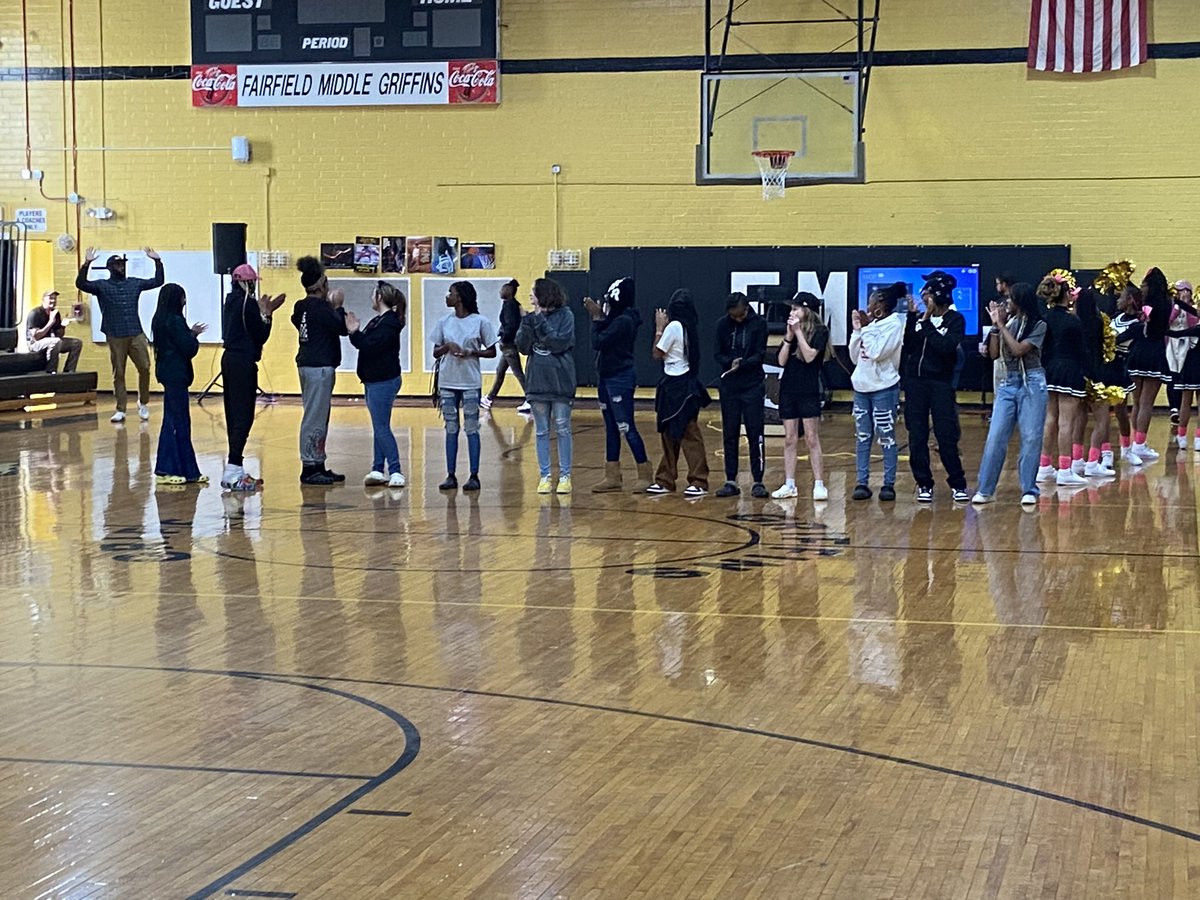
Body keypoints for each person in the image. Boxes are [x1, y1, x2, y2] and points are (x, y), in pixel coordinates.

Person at [972, 283, 1048, 505]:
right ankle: (985, 489)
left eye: (1010, 301)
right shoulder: (1008, 324)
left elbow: (1018, 350)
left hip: (1032, 382)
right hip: (1008, 383)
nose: (1006, 305)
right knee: (995, 437)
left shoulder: (1039, 325)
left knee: (1031, 437)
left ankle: (1029, 490)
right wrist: (995, 327)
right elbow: (995, 355)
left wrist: (1002, 326)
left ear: (1020, 302)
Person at [76, 247, 164, 423]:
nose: (121, 267)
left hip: (135, 332)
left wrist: (157, 261)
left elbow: (158, 281)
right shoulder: (102, 286)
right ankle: (120, 409)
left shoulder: (134, 283)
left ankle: (143, 402)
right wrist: (86, 264)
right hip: (115, 334)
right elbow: (81, 284)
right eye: (117, 265)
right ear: (110, 268)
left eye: (122, 264)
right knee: (119, 373)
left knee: (145, 367)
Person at [902, 271, 969, 503]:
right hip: (915, 383)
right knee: (917, 435)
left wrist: (927, 323)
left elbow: (945, 347)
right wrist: (913, 318)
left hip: (940, 383)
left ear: (938, 296)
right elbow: (909, 346)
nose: (924, 299)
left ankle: (958, 483)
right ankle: (923, 483)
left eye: (927, 295)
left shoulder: (955, 319)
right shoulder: (920, 319)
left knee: (945, 435)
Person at [220, 263, 285, 491]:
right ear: (244, 282)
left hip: (229, 360)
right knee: (244, 415)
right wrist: (268, 314)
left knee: (233, 413)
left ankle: (234, 468)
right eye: (252, 282)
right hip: (242, 363)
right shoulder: (247, 304)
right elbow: (261, 335)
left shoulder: (230, 300)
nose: (253, 286)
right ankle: (233, 468)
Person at [584, 277, 653, 492]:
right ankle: (612, 475)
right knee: (611, 427)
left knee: (626, 426)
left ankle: (645, 473)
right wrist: (600, 316)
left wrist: (596, 317)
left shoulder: (624, 321)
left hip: (619, 378)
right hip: (606, 377)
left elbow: (599, 341)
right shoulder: (616, 318)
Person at [432, 281, 498, 491]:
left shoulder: (480, 322)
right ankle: (450, 475)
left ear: (459, 297)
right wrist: (447, 346)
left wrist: (471, 352)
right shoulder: (444, 322)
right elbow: (435, 352)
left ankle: (474, 475)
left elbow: (492, 351)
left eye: (450, 293)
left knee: (472, 428)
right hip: (447, 381)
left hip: (470, 381)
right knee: (451, 428)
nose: (447, 296)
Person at [516, 277, 577, 494]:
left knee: (562, 427)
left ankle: (565, 476)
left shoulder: (566, 316)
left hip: (560, 381)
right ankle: (545, 476)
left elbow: (560, 343)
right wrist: (525, 324)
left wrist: (539, 322)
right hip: (537, 381)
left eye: (533, 292)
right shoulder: (530, 318)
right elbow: (523, 347)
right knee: (541, 431)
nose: (530, 296)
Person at [647, 289, 710, 496]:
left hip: (678, 385)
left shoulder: (673, 326)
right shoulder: (689, 326)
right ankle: (665, 479)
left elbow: (657, 353)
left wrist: (658, 329)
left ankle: (699, 480)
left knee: (688, 433)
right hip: (681, 384)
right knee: (669, 433)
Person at [291, 255, 348, 485]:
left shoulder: (301, 306)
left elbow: (297, 321)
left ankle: (317, 462)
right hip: (319, 367)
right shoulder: (323, 308)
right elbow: (341, 329)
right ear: (321, 285)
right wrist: (339, 307)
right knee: (314, 417)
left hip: (307, 363)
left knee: (317, 416)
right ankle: (309, 466)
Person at [771, 292, 830, 501]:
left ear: (807, 310)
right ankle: (789, 483)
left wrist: (798, 333)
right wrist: (788, 337)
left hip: (808, 390)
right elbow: (781, 361)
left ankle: (819, 483)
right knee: (789, 438)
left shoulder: (820, 332)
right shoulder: (791, 333)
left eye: (796, 308)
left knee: (812, 438)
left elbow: (809, 356)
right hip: (788, 389)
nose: (792, 312)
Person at [347, 281, 407, 488]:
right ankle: (377, 468)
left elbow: (369, 346)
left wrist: (354, 332)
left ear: (380, 297)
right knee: (379, 426)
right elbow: (363, 344)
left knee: (381, 427)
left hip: (383, 381)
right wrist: (354, 333)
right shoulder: (378, 321)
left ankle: (396, 471)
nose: (371, 298)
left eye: (373, 294)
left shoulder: (388, 324)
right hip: (373, 380)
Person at [849, 282, 906, 501]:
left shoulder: (893, 325)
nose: (867, 306)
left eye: (871, 302)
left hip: (883, 388)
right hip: (861, 387)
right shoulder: (870, 325)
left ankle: (888, 483)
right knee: (863, 436)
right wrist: (857, 331)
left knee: (886, 437)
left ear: (880, 304)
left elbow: (876, 353)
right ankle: (861, 482)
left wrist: (865, 329)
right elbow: (856, 357)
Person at [1034, 273, 1089, 487]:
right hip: (1069, 369)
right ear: (1067, 294)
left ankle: (1044, 466)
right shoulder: (1073, 321)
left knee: (1050, 419)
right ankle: (1065, 469)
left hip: (1049, 370)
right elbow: (1081, 351)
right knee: (1066, 422)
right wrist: (1090, 373)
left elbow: (1043, 349)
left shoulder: (1045, 319)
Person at [150, 283, 207, 485]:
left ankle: (188, 470)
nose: (185, 301)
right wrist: (193, 336)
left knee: (179, 420)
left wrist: (188, 333)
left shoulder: (159, 319)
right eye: (183, 297)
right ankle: (165, 469)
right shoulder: (175, 320)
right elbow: (188, 348)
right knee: (175, 422)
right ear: (177, 299)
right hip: (176, 375)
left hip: (168, 373)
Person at [713, 292, 769, 498]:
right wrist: (729, 362)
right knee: (730, 433)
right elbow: (717, 353)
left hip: (752, 384)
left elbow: (760, 353)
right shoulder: (722, 325)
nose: (737, 319)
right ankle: (730, 479)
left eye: (740, 315)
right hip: (729, 386)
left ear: (747, 309)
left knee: (755, 433)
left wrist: (743, 363)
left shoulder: (759, 324)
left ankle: (758, 480)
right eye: (733, 316)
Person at [1125, 266, 1173, 462]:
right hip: (1154, 351)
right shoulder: (1168, 302)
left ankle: (1135, 445)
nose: (1142, 288)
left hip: (1138, 351)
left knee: (1137, 402)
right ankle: (1139, 444)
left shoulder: (1144, 303)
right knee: (1146, 403)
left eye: (1144, 284)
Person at [1073, 288, 1119, 478]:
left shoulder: (1074, 322)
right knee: (1103, 418)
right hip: (1096, 372)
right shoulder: (1099, 321)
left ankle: (1076, 461)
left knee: (1080, 418)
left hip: (1077, 374)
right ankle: (1092, 461)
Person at [482, 279, 531, 413]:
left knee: (518, 373)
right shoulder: (511, 304)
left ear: (508, 292)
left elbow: (511, 325)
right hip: (507, 345)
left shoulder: (510, 305)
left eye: (502, 290)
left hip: (508, 345)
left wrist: (504, 339)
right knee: (500, 371)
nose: (500, 292)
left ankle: (531, 399)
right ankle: (489, 398)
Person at [25, 289, 83, 373]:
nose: (53, 301)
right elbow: (36, 336)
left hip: (51, 341)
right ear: (43, 300)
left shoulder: (55, 313)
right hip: (34, 344)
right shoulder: (35, 313)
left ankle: (69, 370)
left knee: (76, 343)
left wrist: (63, 326)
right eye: (50, 298)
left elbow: (59, 335)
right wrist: (50, 322)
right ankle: (51, 370)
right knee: (55, 342)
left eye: (55, 299)